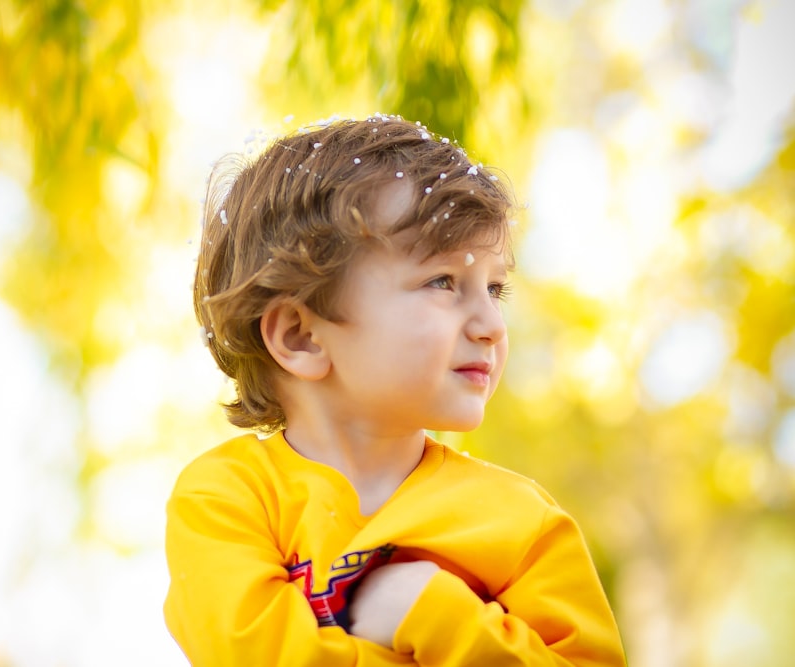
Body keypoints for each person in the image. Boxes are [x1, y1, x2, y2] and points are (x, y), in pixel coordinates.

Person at [163, 114, 626, 665]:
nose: (492, 325)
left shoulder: (525, 524)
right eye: (443, 281)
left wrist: (430, 611)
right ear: (302, 335)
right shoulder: (227, 500)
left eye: (495, 288)